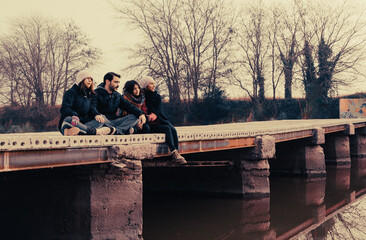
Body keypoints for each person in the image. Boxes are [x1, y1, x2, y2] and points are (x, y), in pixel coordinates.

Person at [139, 76, 187, 164]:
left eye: (154, 83)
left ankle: (177, 152)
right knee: (167, 129)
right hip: (148, 122)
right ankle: (174, 153)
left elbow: (159, 110)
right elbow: (141, 109)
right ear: (146, 86)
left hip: (158, 119)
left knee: (173, 129)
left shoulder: (156, 96)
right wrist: (148, 116)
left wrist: (155, 115)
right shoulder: (142, 97)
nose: (154, 85)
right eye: (151, 83)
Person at [59, 70, 115, 136]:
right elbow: (65, 108)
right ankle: (95, 132)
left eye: (91, 79)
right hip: (71, 122)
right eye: (87, 78)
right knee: (69, 119)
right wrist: (74, 115)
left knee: (101, 119)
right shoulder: (70, 92)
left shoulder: (90, 95)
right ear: (81, 80)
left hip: (83, 124)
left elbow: (91, 108)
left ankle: (75, 132)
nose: (90, 81)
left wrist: (96, 115)